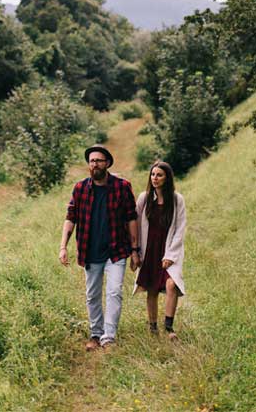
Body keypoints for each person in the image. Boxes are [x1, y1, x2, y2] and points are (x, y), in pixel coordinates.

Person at [59, 145, 140, 350]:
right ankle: (96, 334)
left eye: (99, 160)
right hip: (90, 251)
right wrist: (63, 247)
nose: (95, 164)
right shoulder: (80, 189)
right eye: (92, 161)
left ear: (108, 164)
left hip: (116, 251)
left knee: (114, 292)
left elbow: (132, 218)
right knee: (92, 295)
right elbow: (70, 218)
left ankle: (109, 337)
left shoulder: (122, 187)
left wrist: (135, 249)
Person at [133, 160, 187, 340]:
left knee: (172, 284)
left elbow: (180, 228)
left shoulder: (177, 199)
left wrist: (171, 255)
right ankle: (153, 327)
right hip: (149, 249)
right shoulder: (144, 198)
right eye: (153, 174)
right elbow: (136, 224)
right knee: (152, 288)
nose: (155, 178)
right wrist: (136, 251)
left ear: (167, 178)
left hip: (168, 249)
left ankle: (169, 327)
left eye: (159, 175)